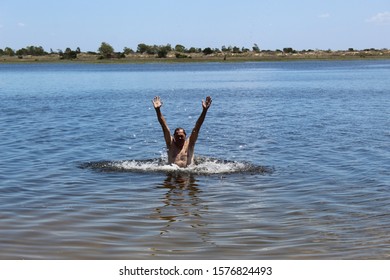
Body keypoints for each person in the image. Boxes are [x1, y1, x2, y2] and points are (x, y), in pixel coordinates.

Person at [152, 96, 212, 168]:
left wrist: (204, 111)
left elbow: (197, 126)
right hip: (172, 176)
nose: (180, 138)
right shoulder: (170, 143)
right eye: (177, 136)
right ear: (173, 137)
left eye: (181, 136)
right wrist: (158, 110)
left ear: (185, 136)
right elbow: (164, 127)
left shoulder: (190, 143)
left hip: (188, 175)